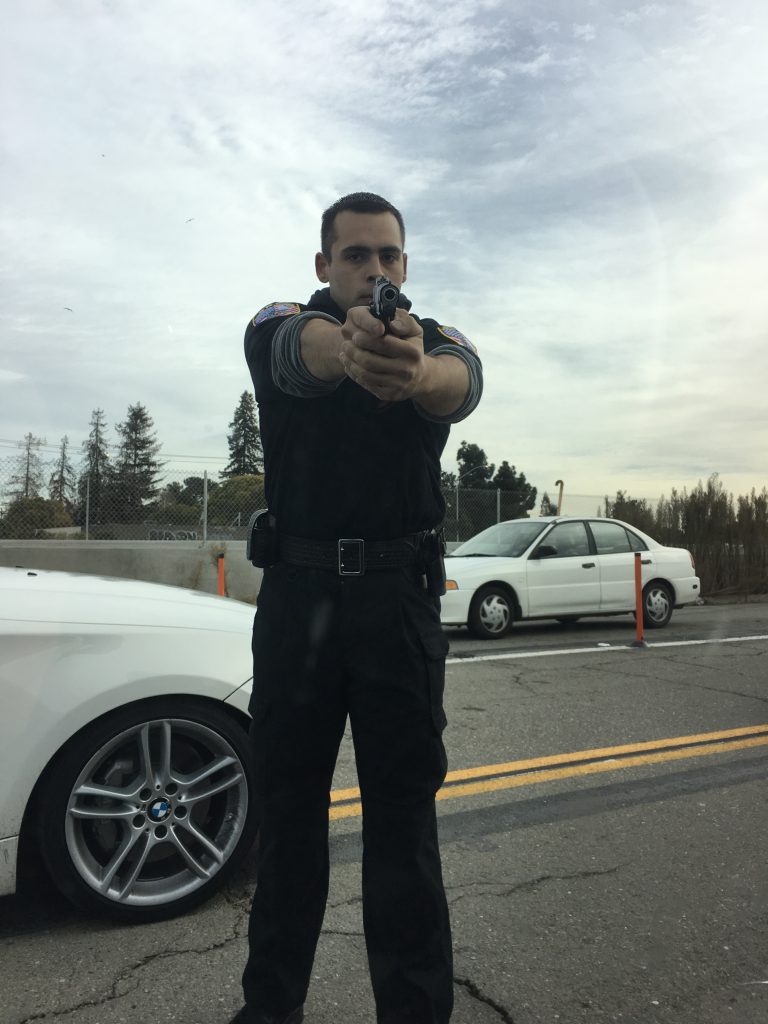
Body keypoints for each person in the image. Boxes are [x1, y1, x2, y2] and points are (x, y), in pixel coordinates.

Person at [231, 192, 483, 1024]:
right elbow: (285, 353)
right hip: (299, 598)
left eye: (389, 257)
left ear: (404, 266)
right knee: (288, 820)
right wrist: (346, 353)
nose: (375, 270)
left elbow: (461, 381)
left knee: (403, 830)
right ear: (323, 266)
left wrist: (414, 375)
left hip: (395, 603)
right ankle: (269, 1012)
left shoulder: (429, 335)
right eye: (356, 256)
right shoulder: (286, 319)